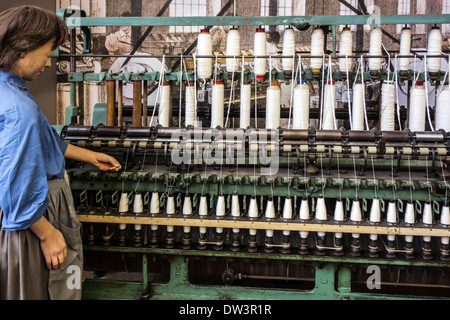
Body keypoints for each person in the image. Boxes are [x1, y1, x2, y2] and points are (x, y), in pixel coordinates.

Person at [0, 5, 122, 300]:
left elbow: (39, 143)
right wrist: (48, 234)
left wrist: (88, 155)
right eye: (48, 50)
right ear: (22, 49)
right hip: (32, 219)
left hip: (17, 218)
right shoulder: (20, 110)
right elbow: (17, 188)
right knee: (45, 291)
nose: (49, 60)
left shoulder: (9, 90)